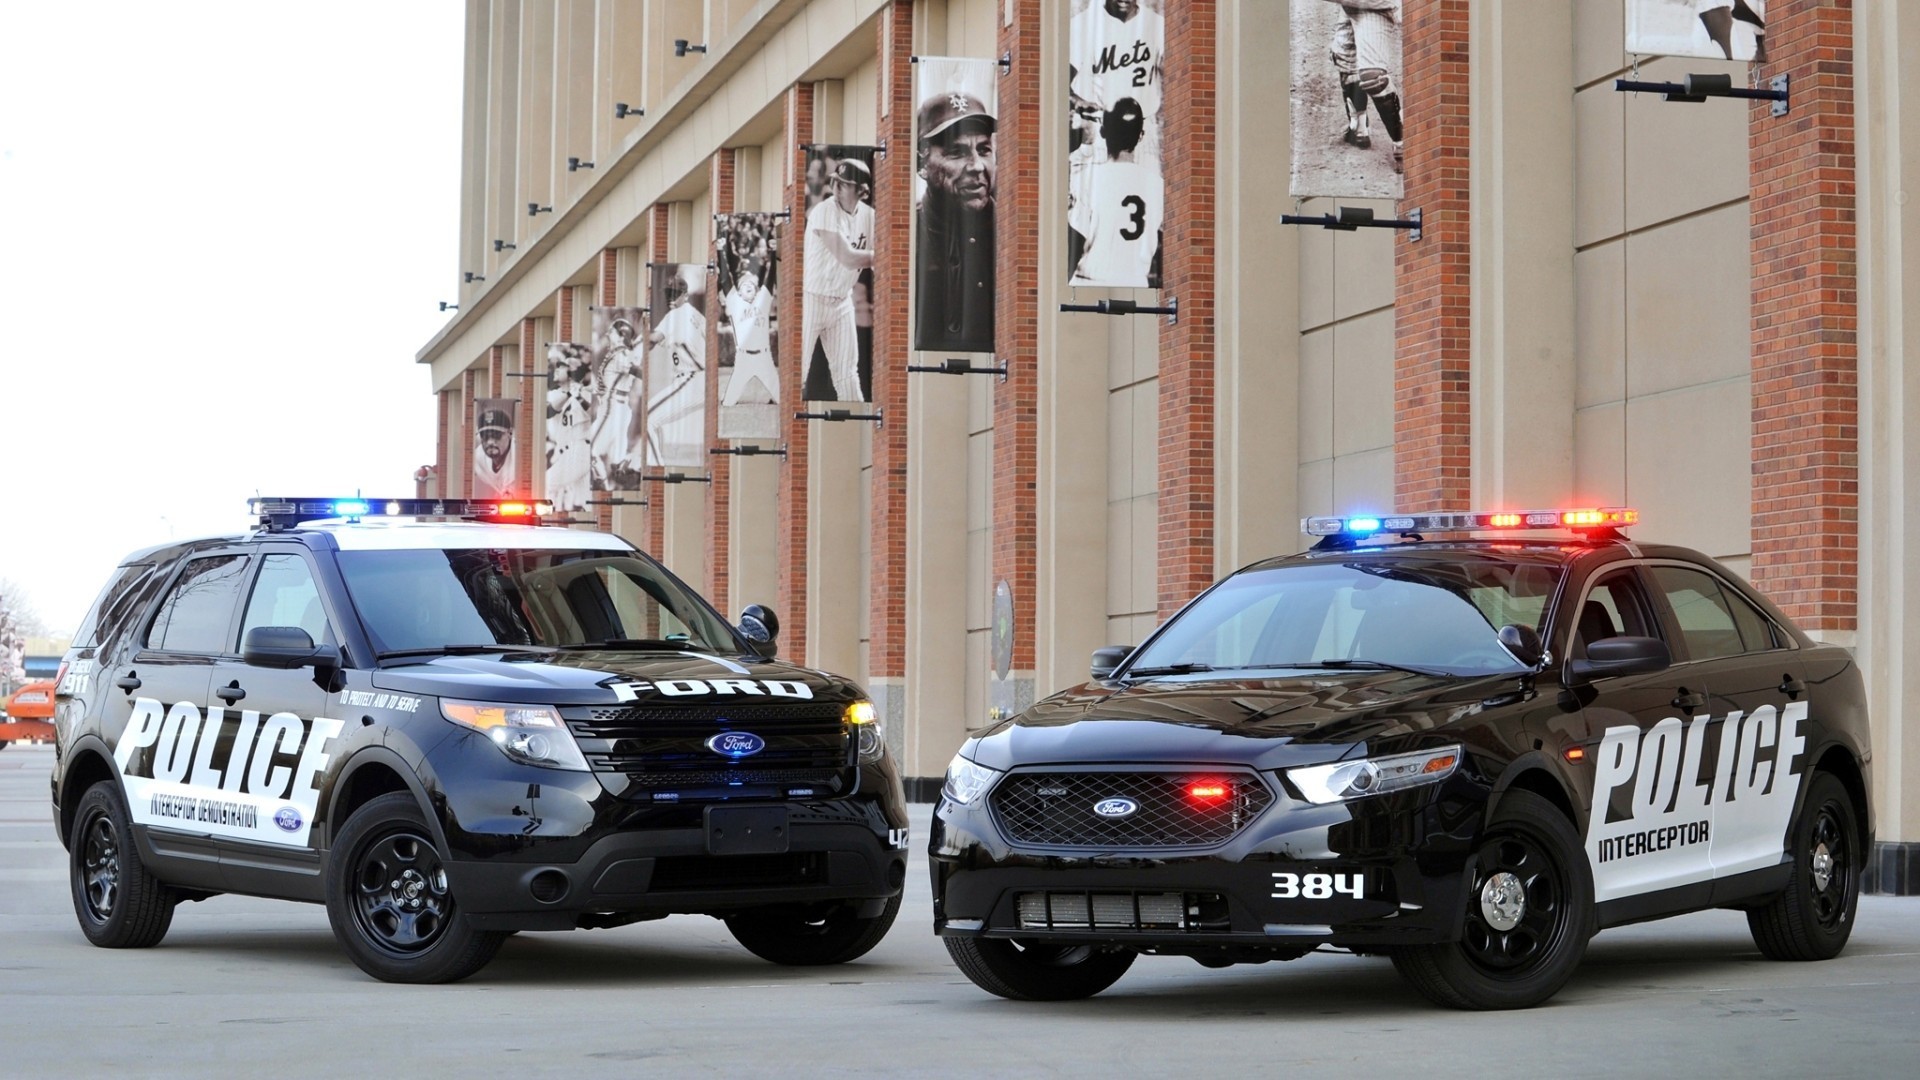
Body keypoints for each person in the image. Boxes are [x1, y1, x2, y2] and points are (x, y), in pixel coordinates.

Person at [915, 90, 995, 354]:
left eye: (984, 150)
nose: (977, 166)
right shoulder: (904, 238)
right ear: (923, 164)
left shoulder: (1015, 233)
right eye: (957, 152)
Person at [1067, 97, 1162, 288]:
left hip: (1090, 281)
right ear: (1141, 135)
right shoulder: (1158, 186)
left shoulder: (1086, 177)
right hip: (1135, 282)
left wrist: (1087, 140)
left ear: (1103, 132)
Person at [802, 158, 875, 401]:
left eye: (845, 184)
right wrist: (882, 256)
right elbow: (848, 258)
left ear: (862, 191)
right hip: (812, 298)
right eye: (836, 181)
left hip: (842, 302)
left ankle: (858, 431)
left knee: (847, 374)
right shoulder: (824, 210)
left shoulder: (870, 217)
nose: (837, 187)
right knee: (798, 371)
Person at [1069, 0, 1164, 168]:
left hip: (1143, 131)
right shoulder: (1084, 24)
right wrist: (1079, 102)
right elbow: (1061, 80)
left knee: (1147, 188)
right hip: (1100, 128)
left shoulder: (1156, 24)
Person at [1324, 0, 1403, 174]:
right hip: (1352, 5)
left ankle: (1403, 144)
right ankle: (1358, 127)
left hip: (1374, 5)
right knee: (1346, 60)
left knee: (1373, 78)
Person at [646, 271, 707, 466]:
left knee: (647, 419)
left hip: (692, 378)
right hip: (700, 377)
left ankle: (655, 470)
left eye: (675, 293)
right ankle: (657, 464)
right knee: (652, 421)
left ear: (686, 295)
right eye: (668, 293)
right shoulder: (697, 315)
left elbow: (653, 340)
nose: (671, 298)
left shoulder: (677, 314)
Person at [720, 260, 777, 407]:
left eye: (752, 285)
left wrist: (772, 252)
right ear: (738, 292)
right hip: (743, 358)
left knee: (782, 398)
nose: (749, 285)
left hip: (764, 358)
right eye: (745, 285)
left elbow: (770, 279)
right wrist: (720, 250)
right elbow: (725, 279)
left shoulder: (762, 301)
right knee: (728, 403)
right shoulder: (734, 302)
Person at [544, 347, 593, 511]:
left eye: (562, 367)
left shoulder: (586, 392)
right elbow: (548, 411)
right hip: (565, 452)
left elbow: (593, 411)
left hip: (580, 448)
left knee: (546, 484)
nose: (557, 370)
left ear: (572, 373)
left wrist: (577, 394)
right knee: (586, 502)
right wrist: (569, 394)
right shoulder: (556, 394)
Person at [471, 404, 517, 499]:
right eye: (485, 436)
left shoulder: (519, 456)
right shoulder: (478, 457)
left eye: (497, 435)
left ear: (510, 433)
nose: (490, 442)